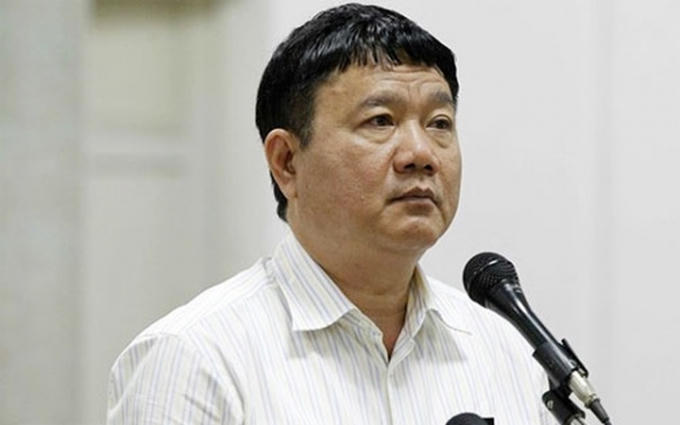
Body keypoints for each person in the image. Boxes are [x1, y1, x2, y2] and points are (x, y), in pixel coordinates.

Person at [107, 4, 557, 424]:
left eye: (439, 123)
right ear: (287, 162)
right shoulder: (196, 358)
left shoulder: (506, 351)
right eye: (381, 121)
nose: (421, 153)